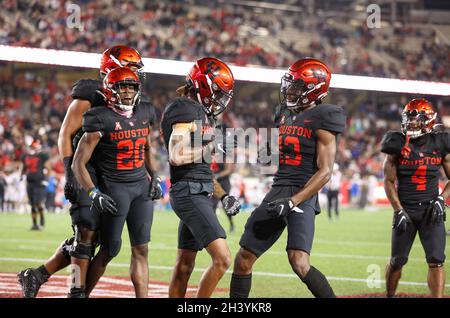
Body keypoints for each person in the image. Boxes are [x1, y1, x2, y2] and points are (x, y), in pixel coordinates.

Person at [17, 45, 146, 298]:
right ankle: (76, 292)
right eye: (130, 67)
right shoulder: (90, 93)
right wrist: (69, 171)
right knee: (85, 231)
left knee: (96, 237)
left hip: (108, 172)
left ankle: (37, 275)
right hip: (84, 169)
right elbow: (65, 133)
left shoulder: (129, 96)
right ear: (113, 68)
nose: (134, 74)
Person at [229, 58, 346, 298]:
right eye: (290, 84)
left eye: (298, 86)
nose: (290, 90)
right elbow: (276, 152)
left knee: (299, 261)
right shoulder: (284, 113)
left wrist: (293, 201)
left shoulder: (325, 116)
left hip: (302, 192)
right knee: (243, 258)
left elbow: (325, 172)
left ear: (314, 89)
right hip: (279, 188)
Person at [73, 67, 161, 298]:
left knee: (142, 249)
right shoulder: (99, 118)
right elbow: (78, 163)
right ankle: (83, 294)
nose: (128, 92)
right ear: (110, 89)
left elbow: (147, 147)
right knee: (110, 249)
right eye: (123, 86)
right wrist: (93, 193)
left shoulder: (144, 112)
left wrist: (155, 176)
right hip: (116, 190)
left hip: (141, 189)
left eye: (132, 86)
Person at [161, 57, 241, 298]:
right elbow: (177, 155)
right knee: (222, 258)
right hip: (188, 192)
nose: (220, 100)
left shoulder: (203, 114)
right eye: (217, 92)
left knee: (185, 265)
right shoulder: (185, 108)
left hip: (200, 191)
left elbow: (203, 170)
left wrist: (224, 196)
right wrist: (213, 145)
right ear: (203, 85)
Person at [381, 98, 447, 298]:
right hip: (406, 209)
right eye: (408, 118)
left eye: (416, 119)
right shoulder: (396, 141)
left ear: (427, 120)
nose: (411, 123)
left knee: (436, 259)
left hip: (430, 209)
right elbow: (388, 181)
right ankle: (390, 296)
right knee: (397, 260)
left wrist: (441, 199)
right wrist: (398, 209)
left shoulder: (441, 142)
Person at [21, 140, 51, 230]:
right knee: (32, 204)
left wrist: (46, 180)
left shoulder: (42, 156)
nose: (32, 148)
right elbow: (24, 167)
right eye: (32, 146)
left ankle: (42, 222)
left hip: (40, 182)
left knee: (38, 203)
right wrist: (21, 175)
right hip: (30, 183)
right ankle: (34, 224)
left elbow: (49, 168)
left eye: (34, 147)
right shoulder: (26, 156)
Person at [211, 155, 236, 232]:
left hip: (225, 183)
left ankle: (231, 224)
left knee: (225, 205)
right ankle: (215, 226)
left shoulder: (227, 158)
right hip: (216, 182)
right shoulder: (215, 157)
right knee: (213, 205)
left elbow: (229, 170)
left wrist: (218, 175)